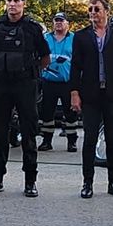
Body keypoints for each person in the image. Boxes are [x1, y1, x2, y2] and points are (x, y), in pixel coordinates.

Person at [0, 0, 50, 197]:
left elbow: (45, 58)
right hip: (2, 84)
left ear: (23, 4)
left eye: (16, 1)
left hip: (25, 84)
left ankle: (30, 181)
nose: (12, 4)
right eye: (9, 0)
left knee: (28, 132)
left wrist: (31, 71)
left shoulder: (32, 28)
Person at [68, 0, 113, 198]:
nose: (93, 13)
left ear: (106, 11)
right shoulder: (81, 36)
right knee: (90, 138)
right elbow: (76, 67)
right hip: (90, 93)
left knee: (112, 140)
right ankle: (87, 182)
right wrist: (74, 93)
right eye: (90, 10)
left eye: (96, 9)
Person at [38, 12, 79, 152]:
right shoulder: (46, 38)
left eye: (61, 21)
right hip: (49, 81)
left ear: (67, 23)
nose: (58, 23)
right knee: (47, 112)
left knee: (70, 113)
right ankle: (46, 141)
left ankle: (72, 141)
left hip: (67, 82)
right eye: (56, 21)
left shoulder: (74, 39)